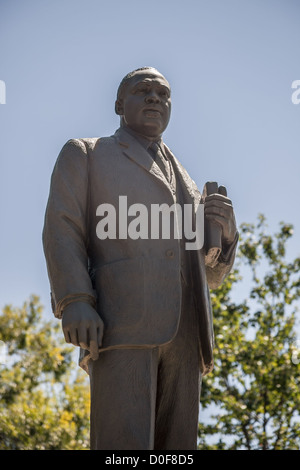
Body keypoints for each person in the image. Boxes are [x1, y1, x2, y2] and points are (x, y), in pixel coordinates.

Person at [43, 66, 238, 450]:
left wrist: (225, 236)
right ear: (119, 104)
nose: (154, 98)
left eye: (163, 94)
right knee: (123, 445)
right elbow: (63, 227)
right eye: (143, 90)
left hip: (188, 332)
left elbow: (212, 274)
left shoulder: (187, 180)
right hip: (121, 323)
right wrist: (75, 300)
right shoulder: (87, 154)